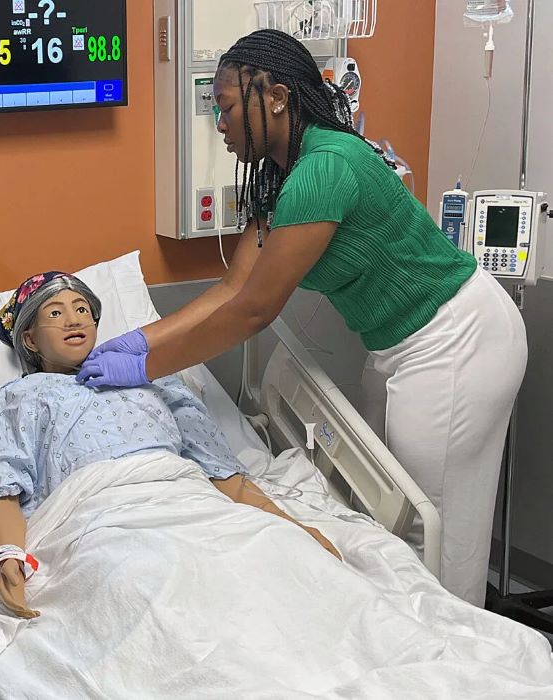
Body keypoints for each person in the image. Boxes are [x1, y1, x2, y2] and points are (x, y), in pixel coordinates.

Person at [75, 29, 526, 607]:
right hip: (400, 347)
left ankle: (462, 657)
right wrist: (133, 340)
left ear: (279, 98)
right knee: (398, 511)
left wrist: (147, 367)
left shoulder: (326, 167)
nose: (219, 123)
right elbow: (232, 287)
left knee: (438, 529)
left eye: (228, 107)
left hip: (457, 338)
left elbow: (254, 310)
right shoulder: (285, 176)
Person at [0, 272, 340, 618]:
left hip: (185, 499)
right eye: (55, 313)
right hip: (101, 518)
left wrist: (291, 528)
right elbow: (0, 487)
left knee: (270, 575)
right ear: (29, 339)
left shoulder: (155, 381)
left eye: (82, 309)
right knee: (147, 586)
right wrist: (9, 555)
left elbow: (224, 476)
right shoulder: (16, 399)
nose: (73, 319)